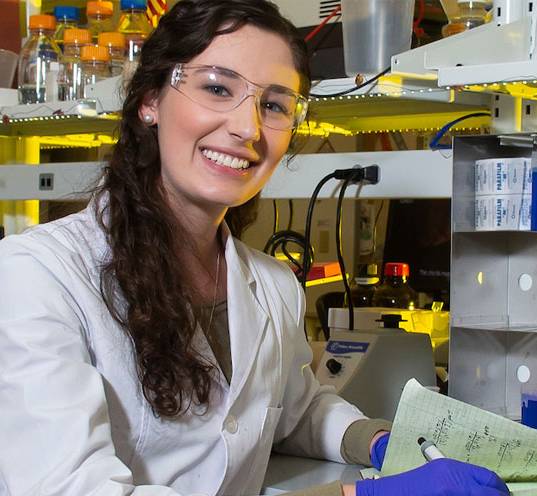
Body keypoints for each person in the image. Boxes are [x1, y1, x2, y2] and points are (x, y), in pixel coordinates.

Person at [0, 1, 510, 495]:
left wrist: (379, 442)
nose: (247, 128)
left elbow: (294, 409)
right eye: (217, 88)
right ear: (150, 100)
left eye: (273, 105)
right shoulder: (38, 278)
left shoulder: (271, 285)